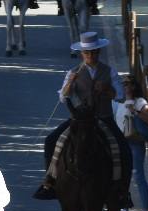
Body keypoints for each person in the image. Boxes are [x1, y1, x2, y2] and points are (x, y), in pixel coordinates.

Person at [34, 32, 118, 200]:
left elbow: (120, 96)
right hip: (80, 119)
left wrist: (107, 89)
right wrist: (70, 83)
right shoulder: (73, 72)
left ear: (98, 52)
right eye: (87, 53)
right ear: (82, 54)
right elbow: (63, 97)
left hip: (103, 117)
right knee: (51, 140)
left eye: (93, 52)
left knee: (121, 145)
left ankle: (121, 188)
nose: (90, 56)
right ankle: (50, 181)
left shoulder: (109, 72)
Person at [115, 74, 148, 211]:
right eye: (123, 84)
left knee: (138, 175)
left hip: (135, 143)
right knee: (123, 176)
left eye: (128, 84)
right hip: (122, 144)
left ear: (134, 86)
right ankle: (124, 208)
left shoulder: (140, 102)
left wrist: (135, 111)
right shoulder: (119, 104)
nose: (125, 86)